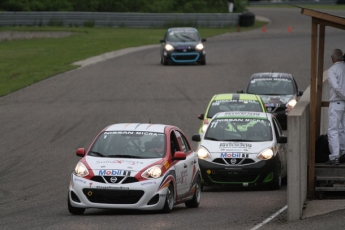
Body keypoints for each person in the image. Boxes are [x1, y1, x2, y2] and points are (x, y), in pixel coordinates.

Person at [326, 48, 345, 165]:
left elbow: (336, 87)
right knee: (343, 129)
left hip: (337, 102)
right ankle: (343, 152)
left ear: (332, 58)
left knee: (333, 130)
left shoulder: (332, 70)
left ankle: (334, 157)